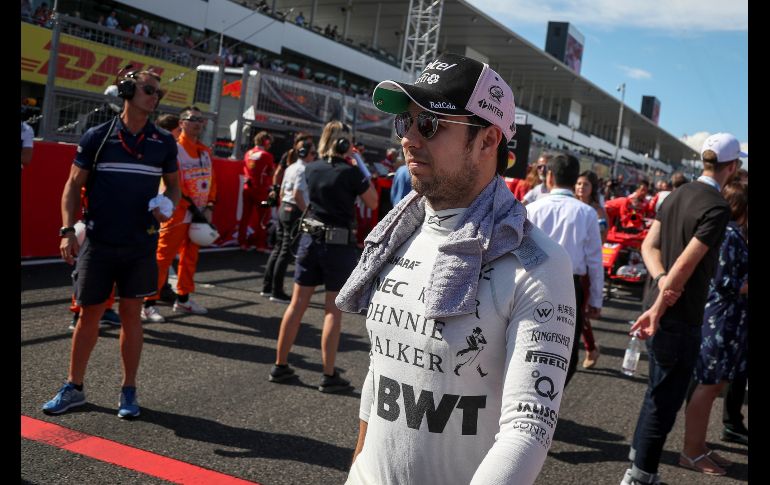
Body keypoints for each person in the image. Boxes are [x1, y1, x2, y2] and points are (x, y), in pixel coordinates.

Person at [336, 53, 575, 484]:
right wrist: (356, 468)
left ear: (487, 140)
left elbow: (529, 428)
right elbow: (381, 369)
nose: (408, 138)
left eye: (428, 124)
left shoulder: (538, 262)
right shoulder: (396, 232)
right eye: (404, 122)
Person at [42, 70, 180, 418]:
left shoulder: (163, 142)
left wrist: (168, 204)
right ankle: (74, 387)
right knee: (89, 315)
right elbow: (73, 186)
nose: (155, 97)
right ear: (127, 91)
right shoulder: (97, 137)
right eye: (149, 90)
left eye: (158, 92)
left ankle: (128, 391)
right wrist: (65, 230)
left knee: (132, 315)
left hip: (140, 244)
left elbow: (174, 186)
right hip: (99, 241)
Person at [620, 132, 743, 485]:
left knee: (656, 391)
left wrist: (659, 283)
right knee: (665, 398)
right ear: (732, 167)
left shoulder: (676, 194)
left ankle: (638, 459)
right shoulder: (717, 207)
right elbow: (687, 264)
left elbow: (649, 246)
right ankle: (641, 475)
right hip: (678, 313)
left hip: (657, 304)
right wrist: (663, 299)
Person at [269, 120, 377, 393]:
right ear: (344, 143)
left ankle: (280, 365)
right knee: (332, 311)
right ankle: (329, 375)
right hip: (337, 247)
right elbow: (373, 201)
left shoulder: (312, 168)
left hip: (309, 241)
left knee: (296, 304)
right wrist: (359, 163)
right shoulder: (350, 173)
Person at [680, 180, 748, 476]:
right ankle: (691, 451)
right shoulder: (730, 235)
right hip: (721, 318)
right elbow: (725, 281)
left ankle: (699, 446)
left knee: (715, 384)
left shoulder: (733, 233)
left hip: (729, 318)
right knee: (708, 385)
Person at [527, 155, 603, 386]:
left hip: (533, 282)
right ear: (575, 181)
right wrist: (597, 300)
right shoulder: (587, 213)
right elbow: (594, 262)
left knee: (529, 341)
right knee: (565, 349)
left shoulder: (532, 208)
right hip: (570, 286)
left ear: (550, 176)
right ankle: (550, 399)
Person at [141, 106, 216, 323]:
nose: (197, 123)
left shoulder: (204, 151)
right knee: (162, 258)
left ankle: (183, 298)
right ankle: (148, 303)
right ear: (181, 123)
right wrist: (193, 208)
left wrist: (209, 205)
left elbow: (213, 182)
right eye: (192, 119)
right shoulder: (173, 149)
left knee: (190, 258)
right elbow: (173, 183)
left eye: (201, 120)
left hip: (199, 214)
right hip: (176, 213)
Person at [261, 136, 316, 303]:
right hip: (293, 211)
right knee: (285, 251)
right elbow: (297, 194)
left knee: (278, 249)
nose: (314, 156)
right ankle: (276, 291)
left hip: (284, 208)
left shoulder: (291, 166)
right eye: (312, 153)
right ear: (305, 153)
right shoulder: (302, 169)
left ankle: (267, 287)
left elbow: (283, 191)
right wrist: (306, 213)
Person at [574, 169, 607, 368]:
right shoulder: (570, 205)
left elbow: (601, 239)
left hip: (586, 267)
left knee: (581, 311)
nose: (580, 187)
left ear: (592, 188)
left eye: (585, 184)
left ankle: (591, 348)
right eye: (578, 183)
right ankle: (591, 348)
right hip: (570, 266)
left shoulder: (597, 210)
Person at [239, 131, 274, 251]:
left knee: (245, 216)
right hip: (261, 192)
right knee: (265, 216)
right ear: (266, 142)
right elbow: (271, 171)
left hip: (247, 190)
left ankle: (242, 242)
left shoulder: (248, 153)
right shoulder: (267, 155)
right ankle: (260, 245)